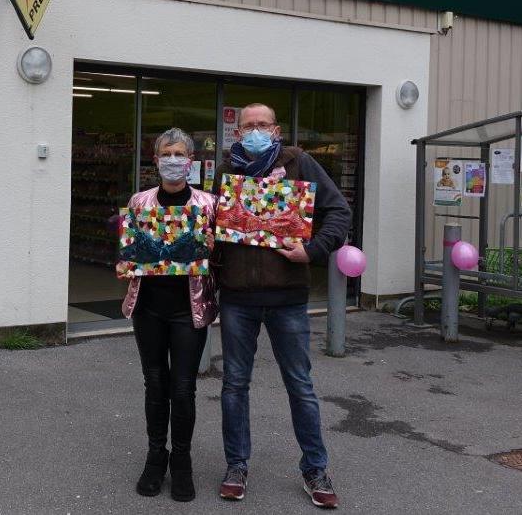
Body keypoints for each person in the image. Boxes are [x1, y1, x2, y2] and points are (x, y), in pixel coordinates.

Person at [213, 103, 352, 509]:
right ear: (237, 133)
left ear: (275, 130)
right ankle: (236, 465)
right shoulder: (227, 173)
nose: (255, 131)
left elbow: (338, 211)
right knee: (234, 385)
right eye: (248, 126)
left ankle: (315, 468)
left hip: (287, 298)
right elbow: (211, 225)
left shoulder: (300, 163)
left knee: (300, 386)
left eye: (262, 125)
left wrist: (312, 250)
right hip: (238, 297)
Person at [117, 128, 217, 502]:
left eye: (179, 153)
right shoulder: (140, 202)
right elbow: (130, 252)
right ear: (155, 159)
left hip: (189, 307)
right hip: (149, 307)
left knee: (184, 388)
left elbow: (222, 252)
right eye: (166, 153)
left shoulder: (209, 204)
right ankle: (155, 456)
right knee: (155, 383)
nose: (173, 160)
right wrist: (125, 263)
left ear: (190, 160)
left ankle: (183, 462)